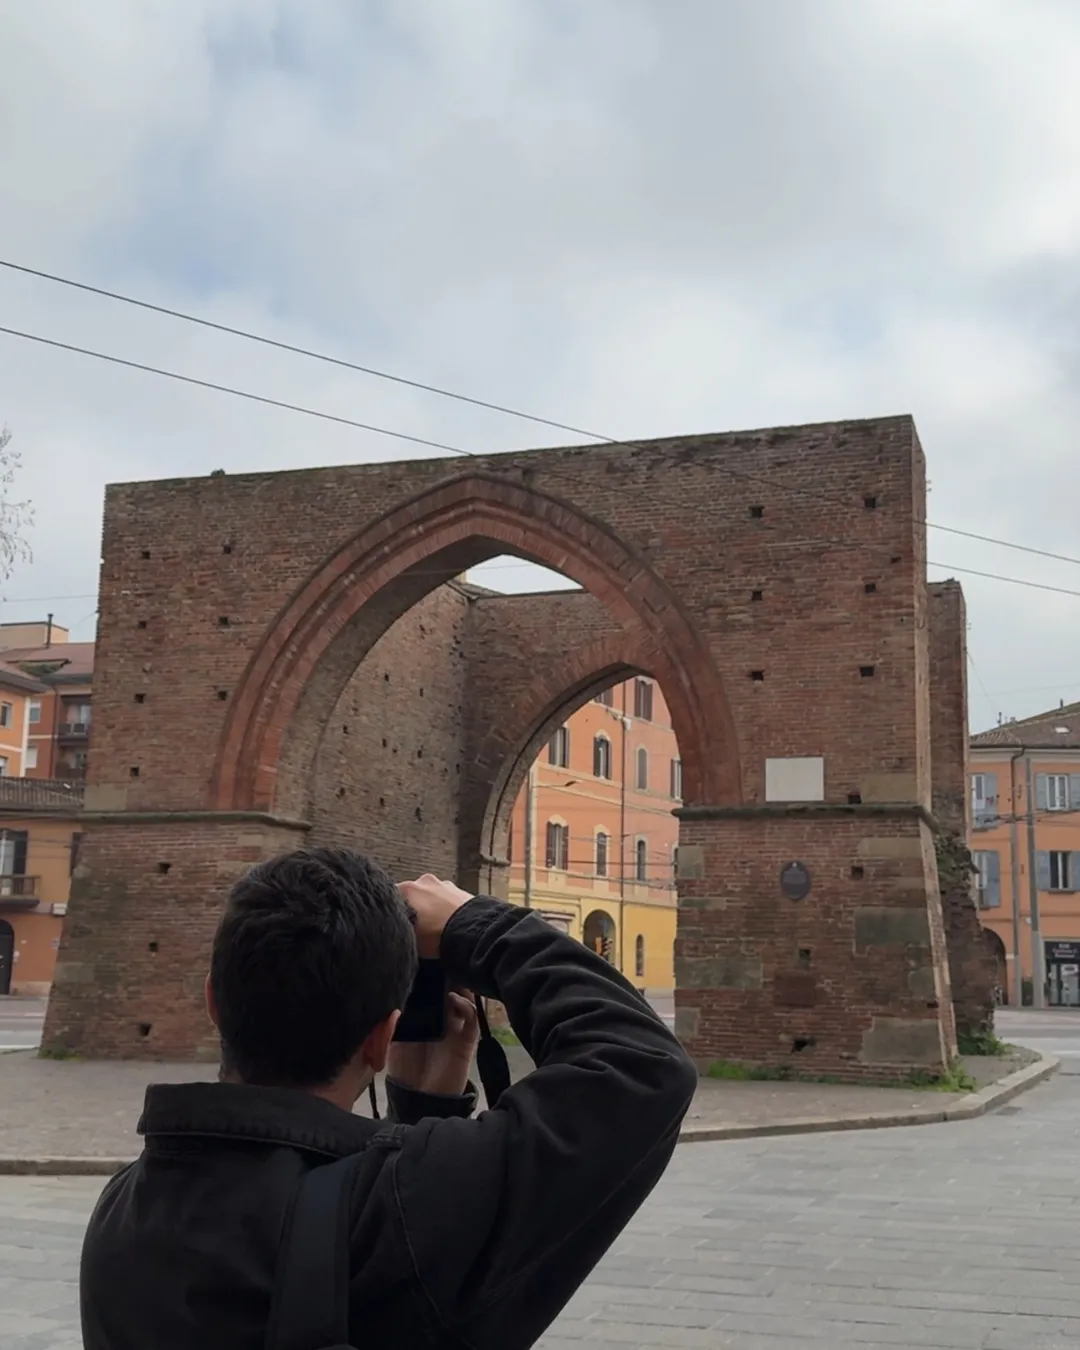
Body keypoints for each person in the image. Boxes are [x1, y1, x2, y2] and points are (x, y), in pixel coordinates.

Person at [80, 848, 698, 1349]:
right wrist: (473, 922)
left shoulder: (124, 1209)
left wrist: (421, 1116)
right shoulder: (411, 1204)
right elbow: (643, 1067)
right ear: (382, 1036)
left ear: (215, 1002)